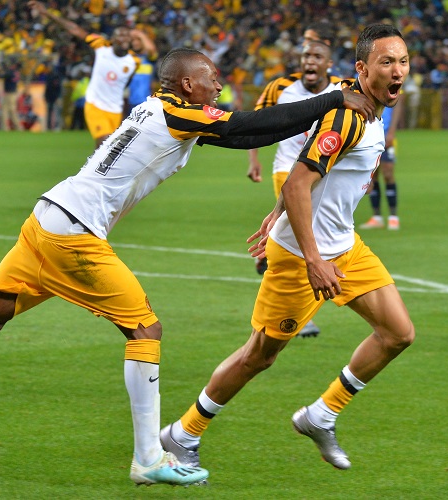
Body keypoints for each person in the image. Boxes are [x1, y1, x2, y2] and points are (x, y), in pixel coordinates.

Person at [0, 47, 375, 486]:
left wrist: (320, 105)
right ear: (186, 83)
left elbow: (240, 132)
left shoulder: (160, 109)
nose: (219, 84)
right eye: (211, 78)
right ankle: (149, 458)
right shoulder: (178, 110)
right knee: (144, 328)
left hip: (48, 217)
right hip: (75, 233)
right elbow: (248, 128)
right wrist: (332, 99)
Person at [159, 25, 415, 473]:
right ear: (362, 68)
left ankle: (321, 415)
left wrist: (277, 207)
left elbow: (309, 170)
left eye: (403, 61)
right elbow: (300, 181)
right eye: (387, 63)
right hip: (302, 258)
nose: (398, 71)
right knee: (260, 354)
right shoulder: (347, 115)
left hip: (346, 247)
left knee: (398, 334)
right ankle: (183, 433)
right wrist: (312, 257)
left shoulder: (369, 109)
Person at [245, 23, 341, 338]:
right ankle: (299, 316)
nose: (309, 61)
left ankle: (269, 257)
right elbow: (257, 123)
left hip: (322, 172)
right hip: (287, 171)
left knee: (301, 238)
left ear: (328, 63)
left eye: (316, 56)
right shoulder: (280, 87)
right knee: (303, 239)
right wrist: (254, 160)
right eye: (305, 56)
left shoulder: (342, 89)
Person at [29, 1, 138, 147]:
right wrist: (47, 13)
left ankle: (94, 169)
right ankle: (93, 170)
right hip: (95, 105)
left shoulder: (133, 61)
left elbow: (126, 82)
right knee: (103, 143)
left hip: (115, 109)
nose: (124, 38)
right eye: (120, 35)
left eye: (127, 36)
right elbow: (74, 29)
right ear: (113, 39)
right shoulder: (101, 46)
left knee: (109, 150)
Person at [359, 98, 405, 230]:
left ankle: (393, 217)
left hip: (386, 134)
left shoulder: (391, 83)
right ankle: (377, 217)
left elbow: (399, 102)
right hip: (370, 135)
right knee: (373, 175)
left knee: (388, 173)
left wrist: (392, 132)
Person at [126, 28, 158, 113]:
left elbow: (151, 49)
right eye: (133, 40)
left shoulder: (149, 58)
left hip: (147, 102)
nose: (135, 43)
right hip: (131, 102)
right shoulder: (130, 58)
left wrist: (141, 34)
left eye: (138, 40)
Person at [1, 61, 22, 130]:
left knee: (6, 110)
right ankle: (18, 127)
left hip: (9, 94)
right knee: (11, 110)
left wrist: (2, 69)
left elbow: (2, 76)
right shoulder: (16, 72)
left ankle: (6, 127)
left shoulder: (11, 72)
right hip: (13, 93)